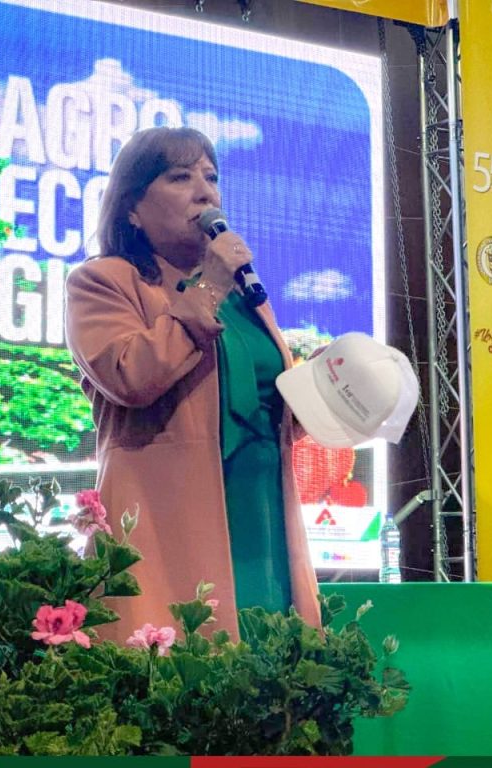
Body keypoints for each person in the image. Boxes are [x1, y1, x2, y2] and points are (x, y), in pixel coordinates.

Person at [64, 126, 321, 641]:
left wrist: (320, 393)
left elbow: (264, 409)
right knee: (185, 664)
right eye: (181, 177)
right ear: (132, 209)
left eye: (211, 176)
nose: (206, 192)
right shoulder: (103, 281)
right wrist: (209, 286)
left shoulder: (246, 298)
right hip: (168, 520)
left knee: (271, 661)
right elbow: (130, 376)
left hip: (262, 511)